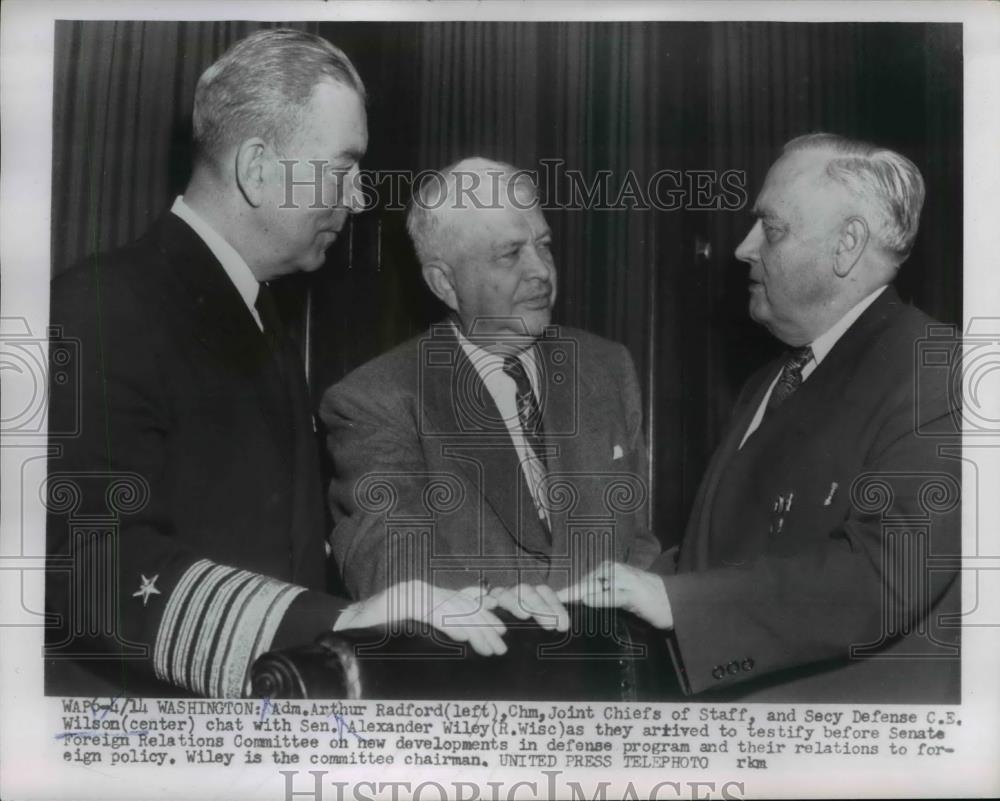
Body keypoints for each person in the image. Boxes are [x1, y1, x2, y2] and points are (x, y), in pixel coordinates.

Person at [46, 30, 512, 699]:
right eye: (343, 167)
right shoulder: (97, 308)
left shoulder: (255, 310)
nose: (357, 198)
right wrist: (334, 622)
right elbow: (87, 562)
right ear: (258, 168)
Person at [559, 133, 961, 702]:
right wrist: (594, 593)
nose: (744, 248)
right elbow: (726, 552)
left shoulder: (941, 371)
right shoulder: (771, 381)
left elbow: (887, 573)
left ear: (847, 245)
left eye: (771, 228)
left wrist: (675, 602)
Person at [322, 158, 661, 617]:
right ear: (444, 282)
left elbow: (639, 549)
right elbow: (389, 564)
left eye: (544, 246)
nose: (541, 270)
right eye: (510, 254)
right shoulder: (376, 400)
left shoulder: (606, 368)